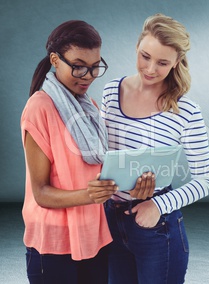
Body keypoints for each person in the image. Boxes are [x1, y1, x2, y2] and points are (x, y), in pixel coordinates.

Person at [21, 20, 154, 284]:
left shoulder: (91, 106)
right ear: (55, 60)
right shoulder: (40, 107)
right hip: (54, 242)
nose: (88, 76)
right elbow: (41, 193)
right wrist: (89, 195)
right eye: (79, 66)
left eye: (95, 67)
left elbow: (103, 171)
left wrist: (137, 183)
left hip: (95, 235)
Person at [102, 13, 209, 284]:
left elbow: (205, 180)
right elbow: (103, 159)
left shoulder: (186, 109)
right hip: (108, 222)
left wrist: (156, 204)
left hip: (156, 227)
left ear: (177, 62)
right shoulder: (110, 93)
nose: (150, 68)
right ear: (137, 48)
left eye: (163, 62)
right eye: (145, 56)